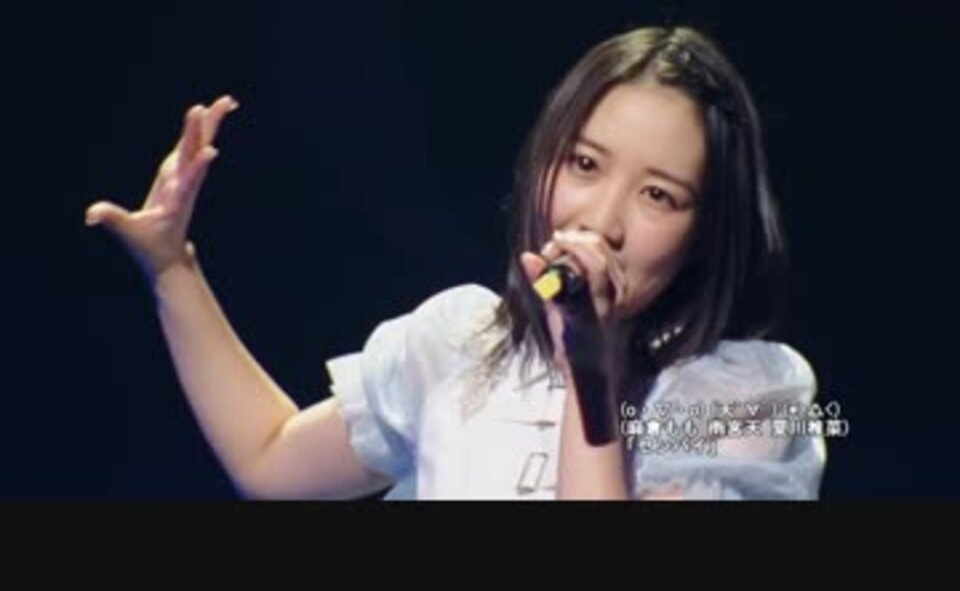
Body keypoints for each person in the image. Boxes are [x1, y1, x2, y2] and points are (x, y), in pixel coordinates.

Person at [85, 26, 826, 500]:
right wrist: (172, 269)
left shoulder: (741, 397)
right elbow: (269, 459)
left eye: (659, 195)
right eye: (585, 164)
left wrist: (589, 372)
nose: (601, 221)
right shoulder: (460, 345)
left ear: (707, 231)